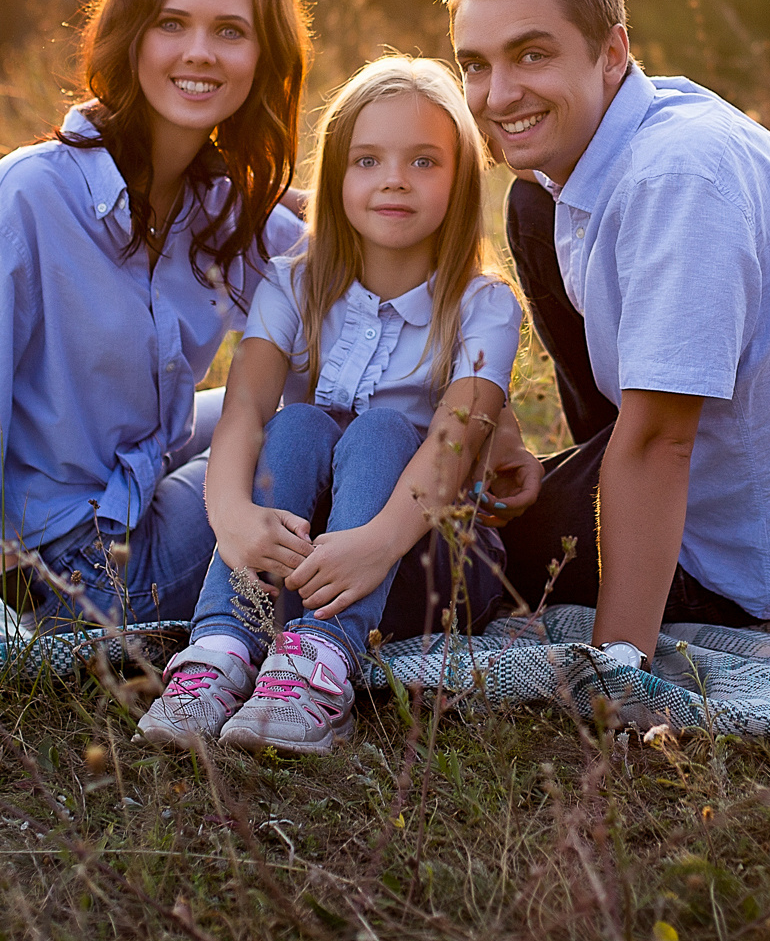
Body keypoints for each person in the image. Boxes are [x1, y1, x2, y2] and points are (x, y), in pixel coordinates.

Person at [442, 0, 770, 690]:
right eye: (476, 64)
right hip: (733, 469)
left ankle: (624, 520)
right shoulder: (632, 126)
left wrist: (618, 665)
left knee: (440, 558)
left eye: (532, 55)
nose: (498, 96)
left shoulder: (680, 177)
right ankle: (605, 471)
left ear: (612, 53)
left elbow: (664, 442)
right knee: (532, 206)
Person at [0, 0, 311, 652]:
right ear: (132, 36)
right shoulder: (18, 204)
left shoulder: (214, 204)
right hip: (81, 568)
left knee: (327, 408)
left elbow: (340, 266)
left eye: (230, 31)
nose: (200, 52)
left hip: (135, 483)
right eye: (172, 23)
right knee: (303, 435)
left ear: (261, 57)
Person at [140, 57, 524, 754]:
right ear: (338, 175)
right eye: (367, 160)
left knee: (383, 429)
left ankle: (319, 666)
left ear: (463, 179)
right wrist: (233, 519)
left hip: (423, 559)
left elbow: (453, 446)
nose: (394, 180)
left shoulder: (484, 306)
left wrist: (377, 545)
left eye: (424, 161)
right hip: (305, 555)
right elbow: (244, 410)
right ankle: (222, 650)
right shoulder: (293, 283)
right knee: (296, 423)